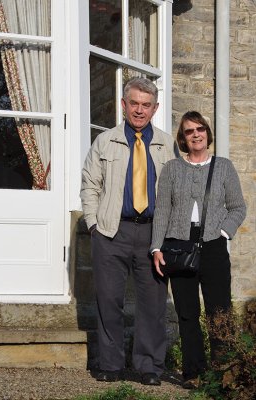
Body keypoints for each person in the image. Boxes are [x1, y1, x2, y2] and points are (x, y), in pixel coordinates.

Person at [80, 77, 178, 384]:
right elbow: (90, 185)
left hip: (153, 235)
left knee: (153, 304)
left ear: (155, 108)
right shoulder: (105, 141)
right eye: (133, 103)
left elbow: (176, 193)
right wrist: (94, 225)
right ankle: (110, 365)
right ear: (124, 105)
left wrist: (170, 235)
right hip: (112, 232)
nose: (139, 110)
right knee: (109, 300)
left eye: (145, 105)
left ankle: (148, 368)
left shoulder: (166, 145)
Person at [151, 111, 246, 389]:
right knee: (187, 313)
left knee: (220, 311)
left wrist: (223, 233)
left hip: (214, 246)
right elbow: (162, 211)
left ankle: (224, 372)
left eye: (200, 129)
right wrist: (157, 247)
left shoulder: (224, 167)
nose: (196, 134)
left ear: (207, 133)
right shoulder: (171, 169)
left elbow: (238, 207)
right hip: (179, 247)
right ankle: (193, 372)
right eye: (189, 131)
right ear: (183, 137)